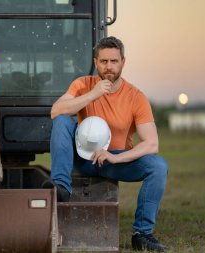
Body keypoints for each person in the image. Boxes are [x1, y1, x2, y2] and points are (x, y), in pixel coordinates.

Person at [46, 36, 168, 252]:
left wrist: (115, 157)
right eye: (104, 61)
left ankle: (142, 234)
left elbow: (151, 144)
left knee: (158, 166)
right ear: (96, 62)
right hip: (83, 157)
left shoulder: (136, 97)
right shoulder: (83, 83)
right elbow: (55, 111)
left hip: (115, 161)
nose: (109, 67)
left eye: (114, 61)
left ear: (123, 62)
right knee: (63, 120)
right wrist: (93, 94)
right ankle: (61, 188)